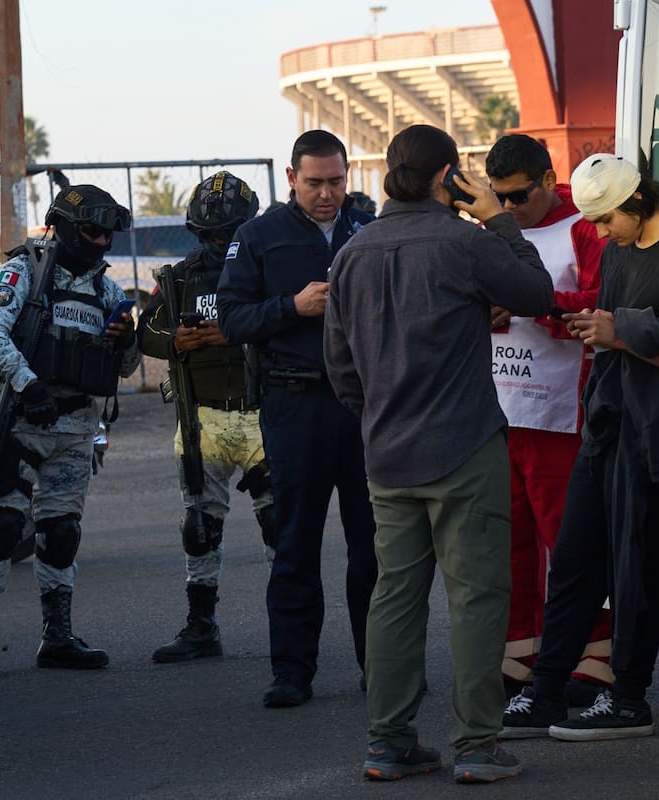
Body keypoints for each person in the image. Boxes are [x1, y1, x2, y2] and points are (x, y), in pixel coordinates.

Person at [324, 124, 554, 784]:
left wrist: (377, 418)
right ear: (448, 175)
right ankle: (477, 745)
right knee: (477, 597)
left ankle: (389, 742)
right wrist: (499, 222)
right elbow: (536, 296)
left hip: (387, 453)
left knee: (395, 596)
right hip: (464, 446)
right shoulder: (464, 242)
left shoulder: (351, 254)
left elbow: (338, 367)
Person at [501, 155, 659, 740]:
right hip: (606, 425)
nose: (599, 233)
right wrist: (600, 324)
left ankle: (629, 699)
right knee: (574, 561)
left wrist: (619, 333)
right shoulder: (624, 250)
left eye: (605, 221)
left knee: (636, 571)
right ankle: (546, 692)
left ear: (637, 204)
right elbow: (617, 326)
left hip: (655, 436)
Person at [217, 129, 377, 708]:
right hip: (294, 405)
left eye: (337, 181)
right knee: (295, 545)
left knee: (374, 547)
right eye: (315, 183)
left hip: (363, 410)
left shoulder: (368, 232)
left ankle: (379, 667)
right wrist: (293, 307)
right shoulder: (257, 236)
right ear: (291, 179)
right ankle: (291, 671)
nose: (328, 194)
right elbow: (231, 319)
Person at [0, 184, 141, 679]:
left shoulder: (106, 290)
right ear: (62, 225)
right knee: (1, 528)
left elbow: (125, 368)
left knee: (61, 533)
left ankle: (57, 638)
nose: (102, 242)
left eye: (108, 234)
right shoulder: (23, 273)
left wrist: (127, 340)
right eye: (91, 231)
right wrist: (29, 384)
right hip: (19, 420)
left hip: (75, 428)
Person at [483, 134, 615, 716]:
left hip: (561, 412)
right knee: (505, 538)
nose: (510, 209)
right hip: (498, 409)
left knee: (568, 541)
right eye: (500, 198)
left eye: (519, 197)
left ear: (547, 179)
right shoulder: (488, 227)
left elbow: (600, 299)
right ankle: (521, 649)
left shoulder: (582, 226)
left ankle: (597, 650)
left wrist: (538, 304)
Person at [138, 171, 275, 663]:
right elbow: (146, 332)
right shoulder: (179, 278)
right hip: (202, 425)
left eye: (232, 233)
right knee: (199, 529)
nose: (223, 244)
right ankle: (201, 628)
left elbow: (295, 321)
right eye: (213, 236)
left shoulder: (270, 269)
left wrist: (234, 332)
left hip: (263, 418)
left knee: (279, 527)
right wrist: (176, 340)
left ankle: (288, 626)